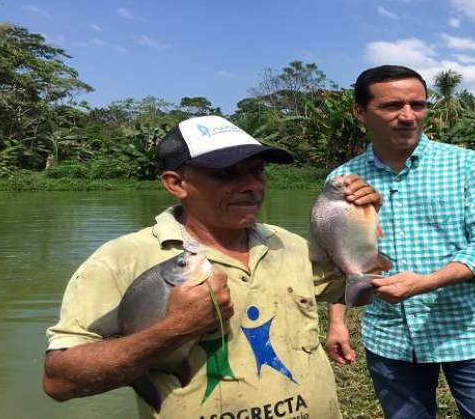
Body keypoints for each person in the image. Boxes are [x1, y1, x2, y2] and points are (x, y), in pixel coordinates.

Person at [42, 115, 380, 419]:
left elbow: (363, 291)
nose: (251, 186)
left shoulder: (286, 244)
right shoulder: (122, 260)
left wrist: (362, 220)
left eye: (257, 171)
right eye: (226, 174)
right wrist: (175, 329)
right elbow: (60, 380)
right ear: (176, 184)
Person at [324, 65, 475, 418]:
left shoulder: (470, 167)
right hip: (391, 339)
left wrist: (426, 282)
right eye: (392, 106)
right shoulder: (343, 181)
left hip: (473, 333)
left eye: (418, 105)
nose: (408, 116)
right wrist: (337, 322)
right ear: (360, 112)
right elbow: (337, 255)